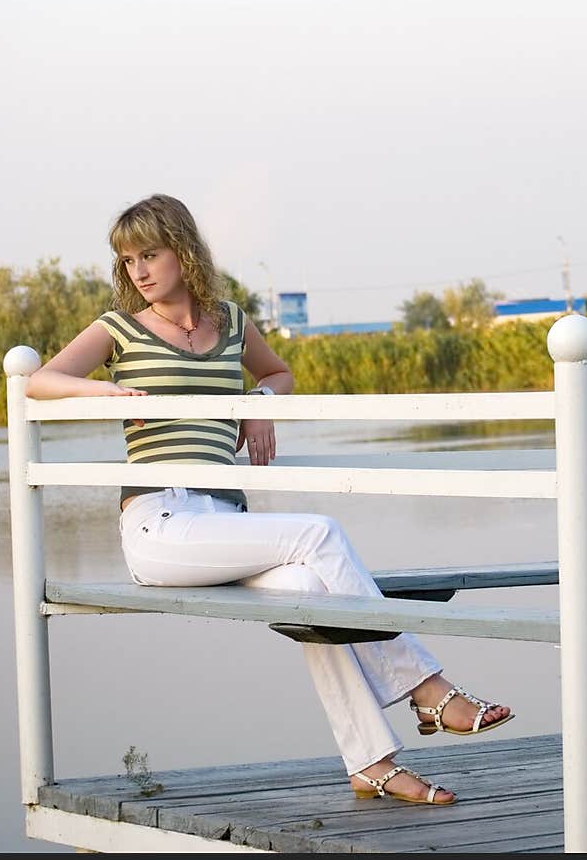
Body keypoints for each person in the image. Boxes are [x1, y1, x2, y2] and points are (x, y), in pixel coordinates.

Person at [27, 193, 513, 806]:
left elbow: (278, 373)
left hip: (224, 521)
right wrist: (111, 396)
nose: (139, 271)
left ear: (183, 251)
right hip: (161, 522)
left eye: (150, 254)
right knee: (320, 533)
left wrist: (261, 403)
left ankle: (371, 762)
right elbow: (39, 381)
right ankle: (430, 690)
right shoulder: (118, 329)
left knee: (312, 594)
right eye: (127, 260)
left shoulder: (230, 321)